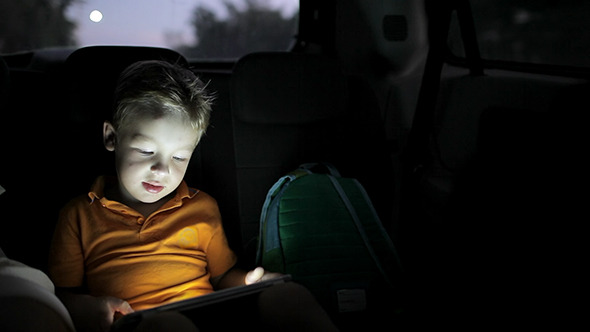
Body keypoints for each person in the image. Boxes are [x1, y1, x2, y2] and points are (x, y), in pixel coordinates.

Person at [48, 60, 337, 332]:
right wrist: (90, 308)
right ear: (112, 137)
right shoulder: (79, 215)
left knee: (287, 295)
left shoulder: (201, 207)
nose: (161, 169)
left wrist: (250, 281)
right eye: (147, 151)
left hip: (210, 319)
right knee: (169, 327)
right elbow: (62, 295)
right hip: (142, 326)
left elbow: (222, 277)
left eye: (179, 157)